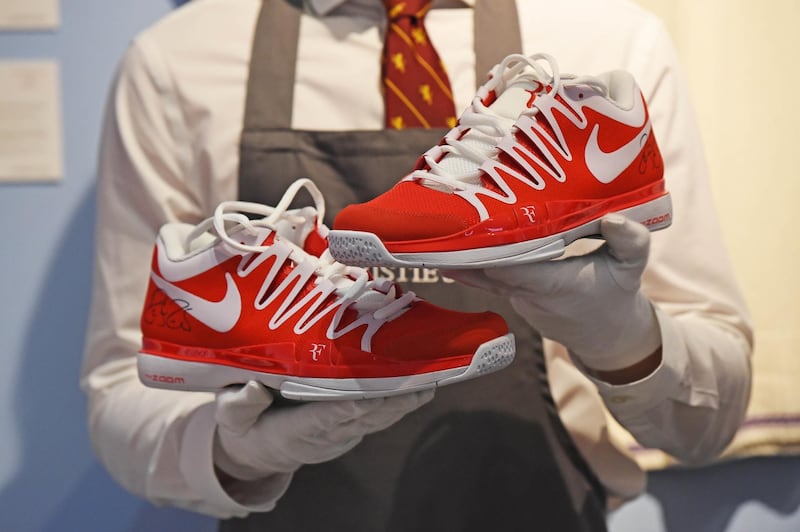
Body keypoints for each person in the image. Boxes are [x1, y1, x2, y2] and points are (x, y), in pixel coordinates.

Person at [81, 0, 753, 530]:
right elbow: (130, 378)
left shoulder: (611, 38)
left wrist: (622, 336)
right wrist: (235, 453)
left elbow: (709, 423)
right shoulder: (178, 62)